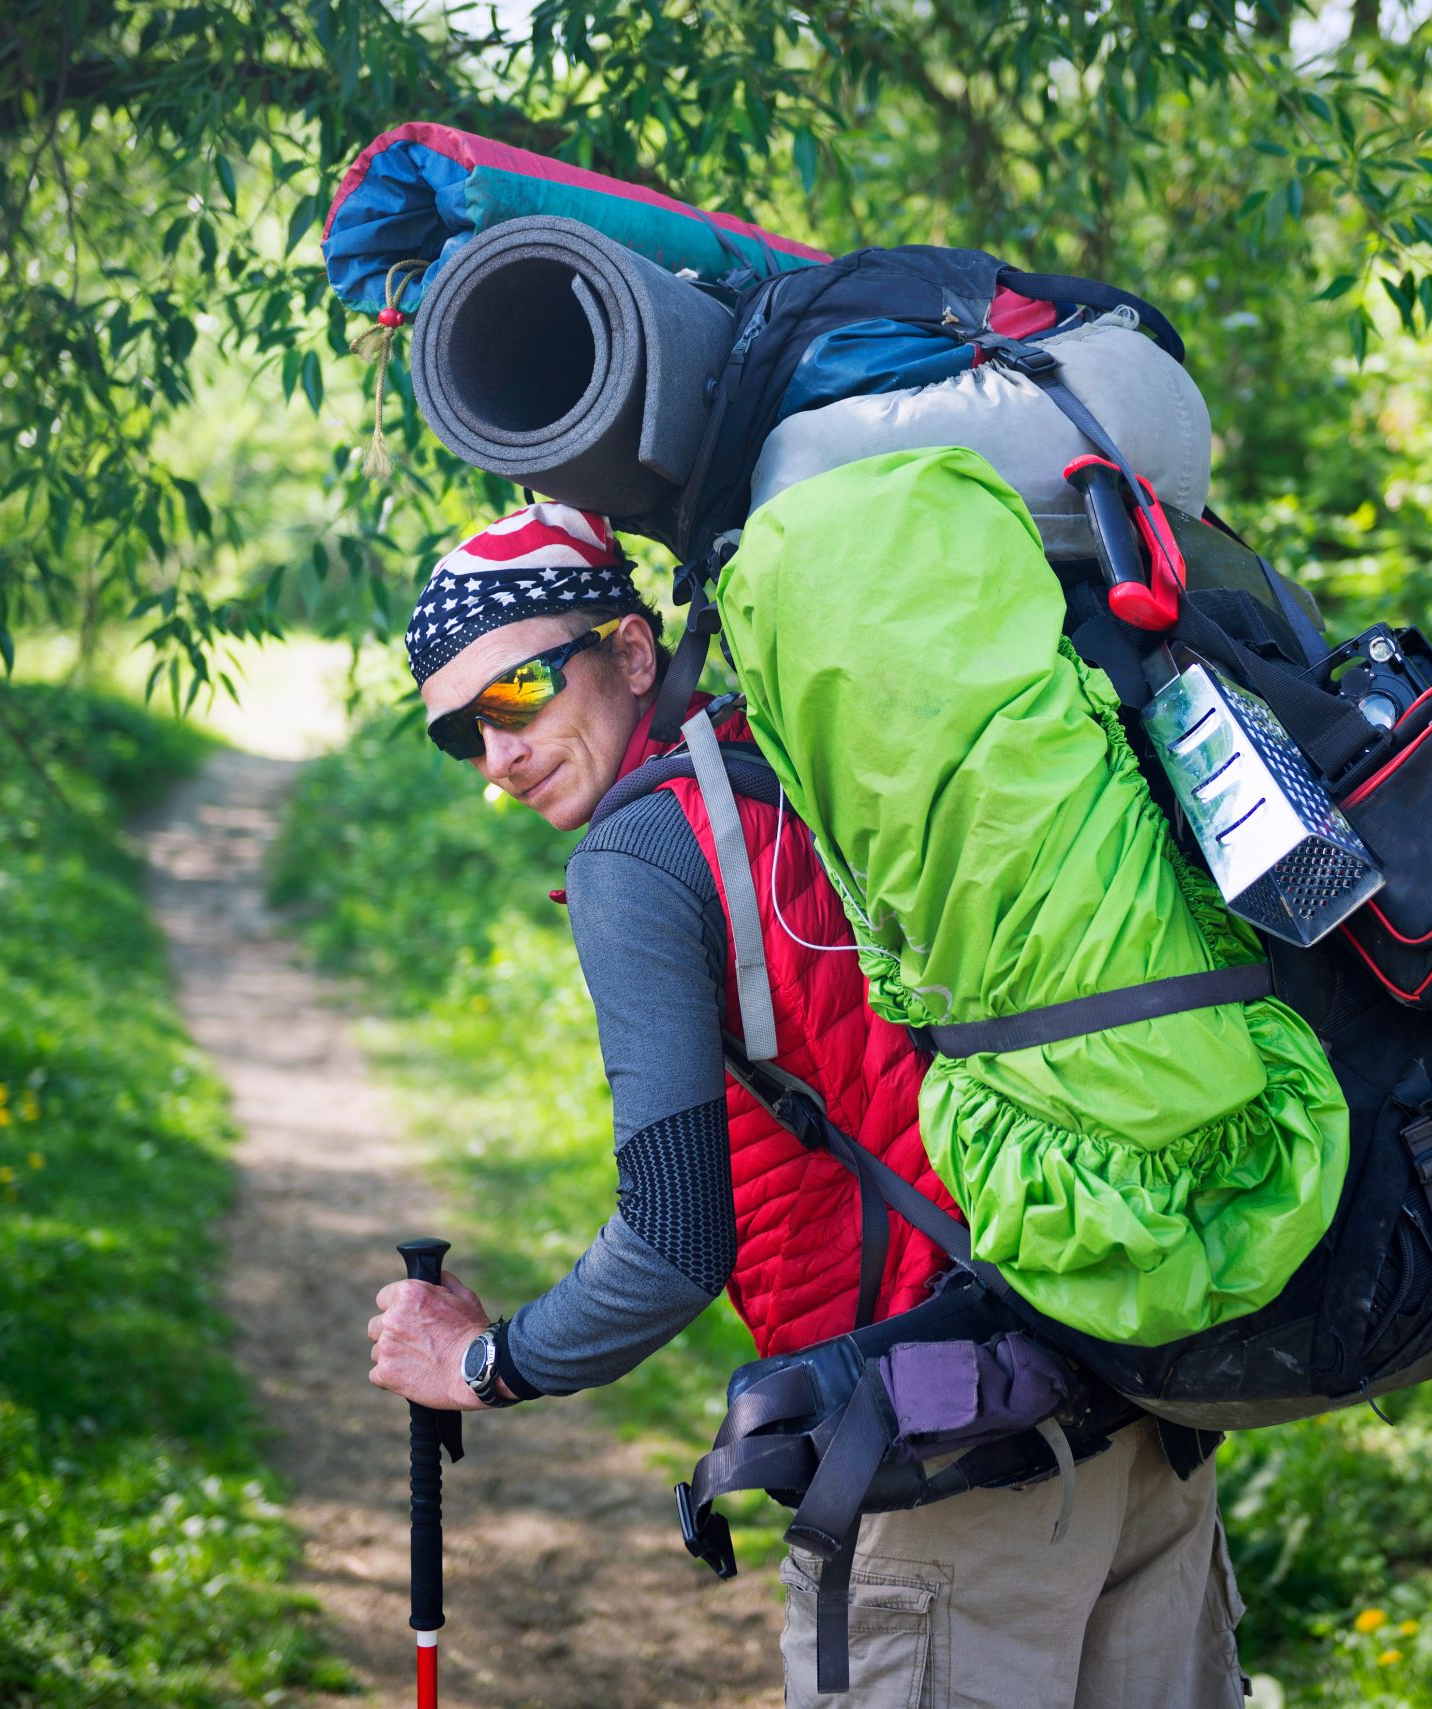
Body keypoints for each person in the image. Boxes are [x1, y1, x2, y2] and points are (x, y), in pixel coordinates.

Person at [363, 503, 1247, 1709]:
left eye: (515, 694)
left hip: (949, 1440)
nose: (497, 755)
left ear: (631, 650)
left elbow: (674, 1244)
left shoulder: (637, 859)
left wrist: (483, 1359)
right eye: (459, 734)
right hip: (1134, 1388)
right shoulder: (816, 754)